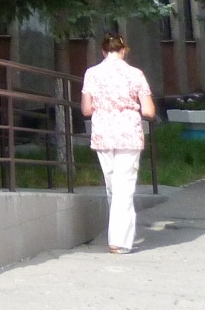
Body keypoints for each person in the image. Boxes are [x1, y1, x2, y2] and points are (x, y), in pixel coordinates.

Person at [80, 32, 156, 254]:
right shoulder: (135, 74)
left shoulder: (92, 73)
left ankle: (116, 237)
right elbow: (149, 111)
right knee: (125, 186)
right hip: (128, 134)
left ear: (104, 51)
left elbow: (86, 109)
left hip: (103, 133)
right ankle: (119, 241)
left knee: (112, 185)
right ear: (123, 51)